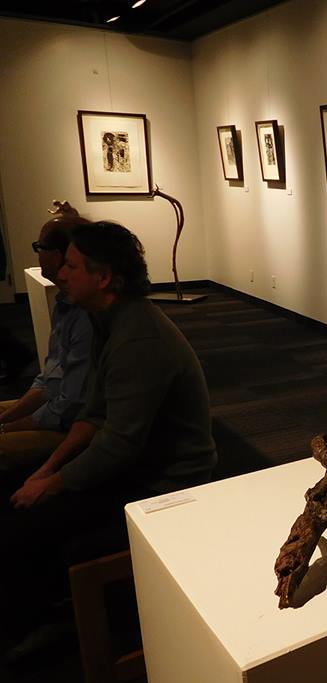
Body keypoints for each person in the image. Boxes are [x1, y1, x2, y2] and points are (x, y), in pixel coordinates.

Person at [2, 221, 217, 659]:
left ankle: (38, 622)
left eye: (73, 266)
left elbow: (118, 444)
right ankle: (45, 602)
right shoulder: (108, 320)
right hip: (136, 461)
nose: (61, 273)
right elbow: (94, 415)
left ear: (103, 277)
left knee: (27, 525)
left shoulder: (138, 338)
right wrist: (48, 469)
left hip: (166, 480)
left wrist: (51, 484)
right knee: (15, 487)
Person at [0, 207, 93, 484]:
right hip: (62, 409)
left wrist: (9, 427)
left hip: (77, 424)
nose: (37, 254)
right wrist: (8, 419)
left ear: (59, 255)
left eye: (39, 247)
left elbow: (70, 405)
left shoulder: (87, 314)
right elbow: (50, 380)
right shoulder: (65, 305)